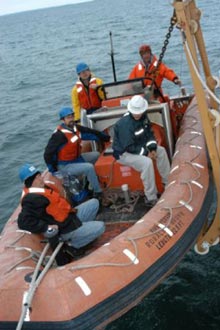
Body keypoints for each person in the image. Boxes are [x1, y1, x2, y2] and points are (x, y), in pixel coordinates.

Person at [17, 164, 105, 252]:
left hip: (70, 217)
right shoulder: (31, 199)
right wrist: (45, 227)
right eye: (37, 178)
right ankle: (74, 246)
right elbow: (23, 221)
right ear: (30, 181)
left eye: (39, 176)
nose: (41, 179)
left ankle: (83, 231)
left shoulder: (41, 189)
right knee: (101, 226)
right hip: (65, 228)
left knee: (95, 203)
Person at [112, 95, 170, 207]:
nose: (137, 114)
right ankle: (151, 197)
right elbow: (128, 146)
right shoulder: (124, 125)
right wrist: (146, 153)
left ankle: (167, 182)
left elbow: (149, 135)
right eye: (135, 112)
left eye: (139, 112)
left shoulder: (143, 118)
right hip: (124, 153)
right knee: (146, 163)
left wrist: (152, 149)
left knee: (161, 151)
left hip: (139, 147)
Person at [44, 107, 110, 200]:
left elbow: (89, 133)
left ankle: (92, 181)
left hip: (76, 159)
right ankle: (98, 192)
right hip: (64, 166)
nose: (71, 119)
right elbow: (47, 154)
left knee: (96, 155)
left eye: (72, 116)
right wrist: (54, 171)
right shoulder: (58, 136)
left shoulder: (75, 128)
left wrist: (106, 138)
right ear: (63, 120)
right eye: (68, 117)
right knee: (89, 167)